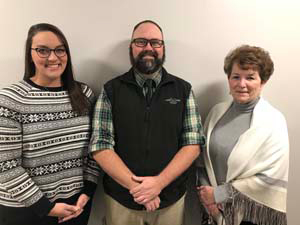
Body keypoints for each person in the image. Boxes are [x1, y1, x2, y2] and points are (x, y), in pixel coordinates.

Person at [90, 20, 205, 225]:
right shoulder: (111, 90)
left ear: (163, 48)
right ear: (131, 48)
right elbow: (100, 146)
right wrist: (140, 189)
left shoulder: (183, 90)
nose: (149, 48)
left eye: (155, 42)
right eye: (141, 42)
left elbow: (193, 144)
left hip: (170, 200)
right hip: (122, 200)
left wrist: (158, 184)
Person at [0, 23, 100, 225]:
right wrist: (46, 208)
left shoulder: (84, 95)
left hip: (76, 205)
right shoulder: (10, 99)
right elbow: (5, 164)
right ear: (30, 54)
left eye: (60, 50)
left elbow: (94, 149)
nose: (53, 58)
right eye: (43, 50)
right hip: (25, 209)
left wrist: (88, 191)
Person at [196, 45, 289, 225]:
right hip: (212, 212)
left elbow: (268, 178)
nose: (241, 84)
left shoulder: (273, 121)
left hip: (253, 216)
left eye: (250, 78)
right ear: (229, 79)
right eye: (236, 77)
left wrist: (218, 195)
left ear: (262, 81)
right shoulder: (216, 113)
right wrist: (208, 198)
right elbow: (202, 160)